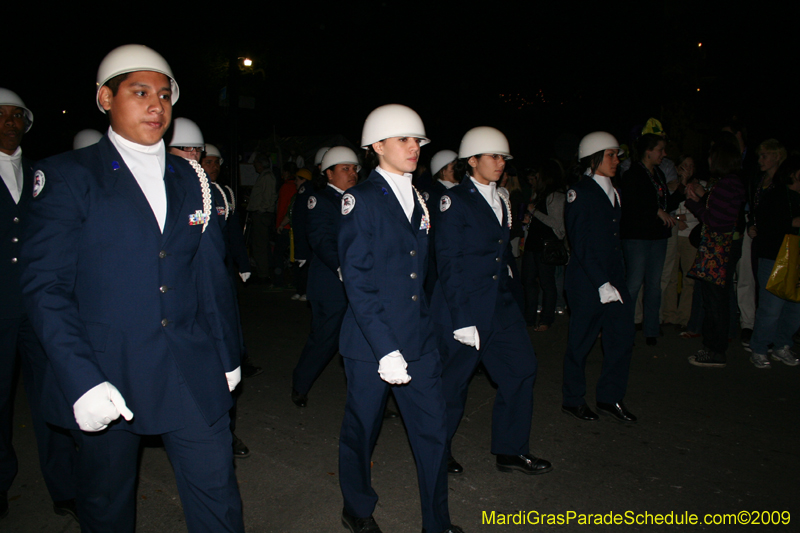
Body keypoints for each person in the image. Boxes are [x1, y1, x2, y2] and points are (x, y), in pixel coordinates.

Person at [19, 45, 244, 532]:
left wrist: (227, 356)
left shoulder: (191, 178)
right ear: (105, 98)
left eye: (164, 95)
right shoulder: (67, 176)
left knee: (217, 493)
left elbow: (209, 277)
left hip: (190, 364)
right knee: (107, 503)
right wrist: (81, 380)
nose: (156, 105)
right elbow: (45, 287)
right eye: (140, 92)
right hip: (107, 370)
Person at [337, 104, 462, 533]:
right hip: (372, 343)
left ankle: (437, 522)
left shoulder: (421, 197)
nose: (414, 148)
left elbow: (419, 272)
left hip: (418, 338)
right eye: (404, 140)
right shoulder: (363, 200)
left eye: (417, 141)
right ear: (377, 146)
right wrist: (385, 348)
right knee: (362, 430)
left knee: (433, 431)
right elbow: (357, 280)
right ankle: (356, 506)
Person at [432, 126, 551, 477]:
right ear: (473, 161)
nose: (501, 163)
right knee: (453, 384)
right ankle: (437, 451)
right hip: (464, 306)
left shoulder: (501, 197)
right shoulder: (455, 200)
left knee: (521, 369)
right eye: (494, 157)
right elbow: (448, 261)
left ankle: (511, 450)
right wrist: (461, 317)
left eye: (503, 158)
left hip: (499, 304)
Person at [1, 88, 78, 521]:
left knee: (53, 397)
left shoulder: (42, 173)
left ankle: (64, 486)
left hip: (39, 306)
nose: (12, 123)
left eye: (18, 116)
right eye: (2, 115)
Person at [168, 122, 253, 457]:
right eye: (184, 149)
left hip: (211, 290)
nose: (194, 156)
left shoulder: (214, 192)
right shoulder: (154, 188)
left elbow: (225, 240)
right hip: (171, 302)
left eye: (197, 151)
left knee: (221, 365)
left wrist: (243, 264)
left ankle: (224, 434)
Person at [562, 132, 636, 423]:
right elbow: (581, 242)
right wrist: (600, 283)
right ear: (593, 159)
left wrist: (614, 281)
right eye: (610, 155)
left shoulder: (614, 191)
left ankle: (610, 396)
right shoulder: (579, 192)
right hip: (587, 282)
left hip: (614, 280)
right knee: (581, 342)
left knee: (622, 339)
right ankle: (572, 399)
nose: (616, 160)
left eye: (617, 155)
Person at [291, 147, 359, 407]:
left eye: (354, 169)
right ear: (329, 174)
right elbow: (321, 239)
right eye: (345, 169)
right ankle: (300, 383)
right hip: (332, 283)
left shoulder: (360, 199)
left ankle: (368, 397)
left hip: (360, 282)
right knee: (325, 339)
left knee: (366, 341)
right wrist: (342, 267)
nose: (352, 173)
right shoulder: (319, 200)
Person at [684, 142, 746, 367]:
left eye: (711, 157)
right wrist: (702, 198)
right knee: (718, 299)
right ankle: (715, 347)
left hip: (718, 250)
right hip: (724, 247)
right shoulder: (732, 183)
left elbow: (714, 220)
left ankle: (714, 350)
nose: (708, 161)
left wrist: (693, 202)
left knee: (715, 302)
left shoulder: (726, 184)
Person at [620, 133, 680, 346]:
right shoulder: (633, 173)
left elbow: (665, 202)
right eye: (660, 150)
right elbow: (631, 204)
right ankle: (623, 327)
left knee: (655, 284)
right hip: (638, 237)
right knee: (634, 283)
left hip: (658, 236)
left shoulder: (659, 175)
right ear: (648, 151)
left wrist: (683, 190)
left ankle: (651, 328)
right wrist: (655, 211)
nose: (664, 154)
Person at [746, 154, 800, 369]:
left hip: (796, 260)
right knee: (771, 309)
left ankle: (782, 345)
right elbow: (767, 225)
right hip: (774, 258)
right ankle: (759, 348)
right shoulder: (776, 194)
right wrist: (794, 222)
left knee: (795, 308)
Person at [522, 160, 566, 330]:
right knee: (528, 281)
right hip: (533, 245)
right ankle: (529, 318)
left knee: (547, 283)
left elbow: (558, 225)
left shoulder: (555, 195)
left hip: (546, 246)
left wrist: (534, 212)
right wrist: (530, 219)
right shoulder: (539, 193)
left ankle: (547, 319)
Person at [247, 153, 278, 284]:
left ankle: (263, 274)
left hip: (262, 215)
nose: (254, 166)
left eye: (256, 163)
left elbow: (270, 196)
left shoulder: (267, 177)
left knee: (260, 245)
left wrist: (261, 210)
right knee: (258, 244)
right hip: (260, 214)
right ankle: (262, 272)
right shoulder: (264, 176)